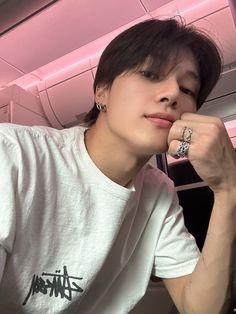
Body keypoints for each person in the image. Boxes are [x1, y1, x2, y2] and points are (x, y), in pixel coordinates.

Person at [0, 17, 235, 313]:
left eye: (188, 89)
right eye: (150, 74)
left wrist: (229, 190)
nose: (173, 93)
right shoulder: (12, 154)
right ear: (102, 91)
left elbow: (203, 309)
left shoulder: (160, 191)